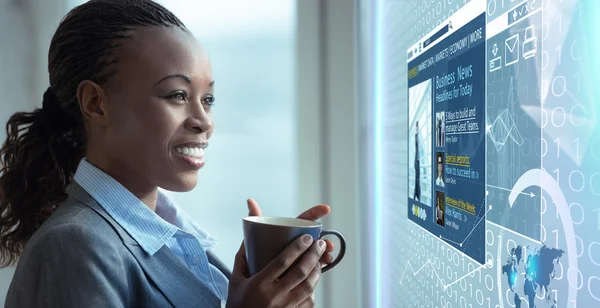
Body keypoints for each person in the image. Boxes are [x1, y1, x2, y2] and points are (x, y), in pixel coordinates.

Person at [0, 1, 335, 307]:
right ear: (95, 103)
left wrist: (272, 279)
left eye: (207, 100)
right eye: (177, 95)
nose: (204, 121)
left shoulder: (179, 241)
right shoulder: (74, 246)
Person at [413, 121, 421, 201]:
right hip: (417, 162)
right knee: (417, 179)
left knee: (417, 179)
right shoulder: (417, 138)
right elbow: (416, 143)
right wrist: (417, 130)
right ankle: (417, 196)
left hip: (417, 162)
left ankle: (416, 196)